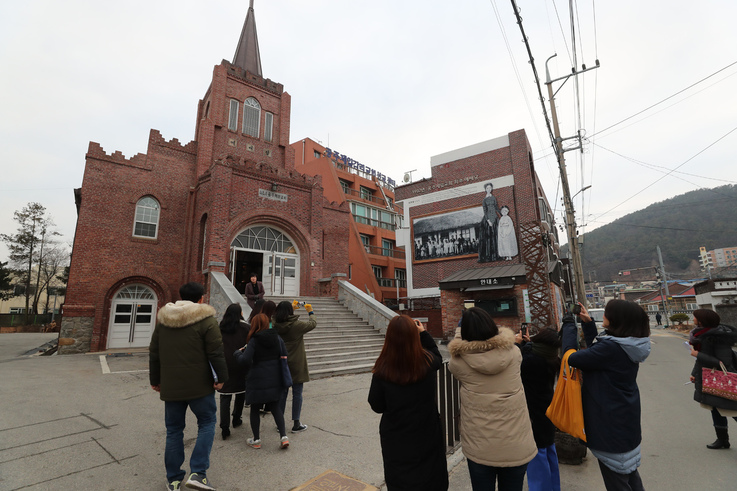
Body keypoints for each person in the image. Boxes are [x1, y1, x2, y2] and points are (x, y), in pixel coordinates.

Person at [562, 300, 651, 491]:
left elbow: (571, 358)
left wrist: (569, 326)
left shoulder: (610, 349)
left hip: (609, 422)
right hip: (624, 416)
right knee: (628, 472)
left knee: (617, 479)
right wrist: (587, 324)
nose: (603, 315)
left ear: (616, 319)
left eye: (606, 313)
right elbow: (598, 352)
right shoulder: (629, 344)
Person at [149, 282, 228, 491]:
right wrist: (221, 377)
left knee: (174, 431)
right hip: (200, 386)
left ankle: (173, 479)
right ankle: (198, 472)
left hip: (172, 385)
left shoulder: (164, 320)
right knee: (207, 422)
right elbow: (216, 352)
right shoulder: (206, 321)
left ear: (180, 296)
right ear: (201, 298)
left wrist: (155, 380)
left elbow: (154, 352)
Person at [448, 307, 536, 491]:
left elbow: (456, 350)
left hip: (480, 447)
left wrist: (460, 334)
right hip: (515, 445)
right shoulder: (514, 353)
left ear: (464, 334)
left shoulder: (458, 363)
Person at [368, 315, 448, 491]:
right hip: (426, 430)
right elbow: (437, 356)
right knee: (431, 474)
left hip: (396, 437)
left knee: (400, 479)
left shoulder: (382, 368)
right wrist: (424, 334)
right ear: (414, 336)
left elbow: (376, 405)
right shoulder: (427, 361)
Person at [234, 313, 290, 450]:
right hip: (275, 377)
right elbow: (285, 354)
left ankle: (257, 440)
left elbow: (245, 360)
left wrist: (237, 353)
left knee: (254, 408)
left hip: (257, 379)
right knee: (276, 407)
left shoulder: (254, 340)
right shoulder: (277, 338)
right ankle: (283, 437)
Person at [516, 327, 562, 491]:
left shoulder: (532, 361)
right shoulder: (552, 358)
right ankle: (553, 487)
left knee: (537, 456)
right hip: (547, 411)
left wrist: (517, 344)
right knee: (549, 451)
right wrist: (528, 344)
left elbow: (518, 361)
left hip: (534, 413)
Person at [687, 309, 737, 449]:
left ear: (702, 320)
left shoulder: (717, 337)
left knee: (732, 409)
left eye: (695, 317)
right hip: (711, 378)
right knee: (715, 408)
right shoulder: (701, 335)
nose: (693, 319)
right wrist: (694, 374)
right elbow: (701, 361)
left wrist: (697, 354)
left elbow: (723, 362)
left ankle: (722, 440)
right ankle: (722, 440)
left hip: (722, 379)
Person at [274, 300, 316, 432]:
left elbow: (271, 319)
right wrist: (310, 312)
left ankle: (279, 423)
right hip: (297, 362)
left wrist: (289, 310)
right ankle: (296, 423)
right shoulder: (297, 325)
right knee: (297, 393)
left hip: (281, 362)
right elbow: (313, 323)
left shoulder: (274, 324)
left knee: (283, 393)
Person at [217, 303, 249, 440]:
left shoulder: (220, 327)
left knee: (225, 395)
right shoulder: (246, 327)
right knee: (241, 392)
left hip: (224, 363)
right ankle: (236, 418)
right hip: (240, 362)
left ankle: (224, 427)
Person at [478, 182, 501, 263]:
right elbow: (485, 211)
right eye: (487, 188)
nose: (489, 189)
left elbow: (496, 207)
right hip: (488, 220)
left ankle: (497, 255)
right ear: (485, 189)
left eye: (490, 188)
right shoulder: (484, 200)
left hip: (495, 217)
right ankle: (489, 256)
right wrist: (488, 221)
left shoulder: (494, 198)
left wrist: (502, 215)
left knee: (496, 236)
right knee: (488, 238)